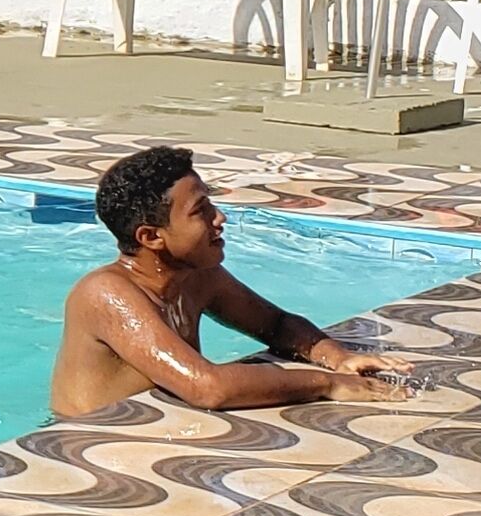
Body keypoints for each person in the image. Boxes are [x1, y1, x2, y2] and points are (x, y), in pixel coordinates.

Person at [51, 145, 408, 418]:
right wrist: (328, 384)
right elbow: (208, 388)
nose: (219, 218)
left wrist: (338, 357)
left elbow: (275, 324)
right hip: (84, 449)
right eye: (200, 211)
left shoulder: (195, 277)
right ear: (151, 237)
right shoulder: (105, 294)